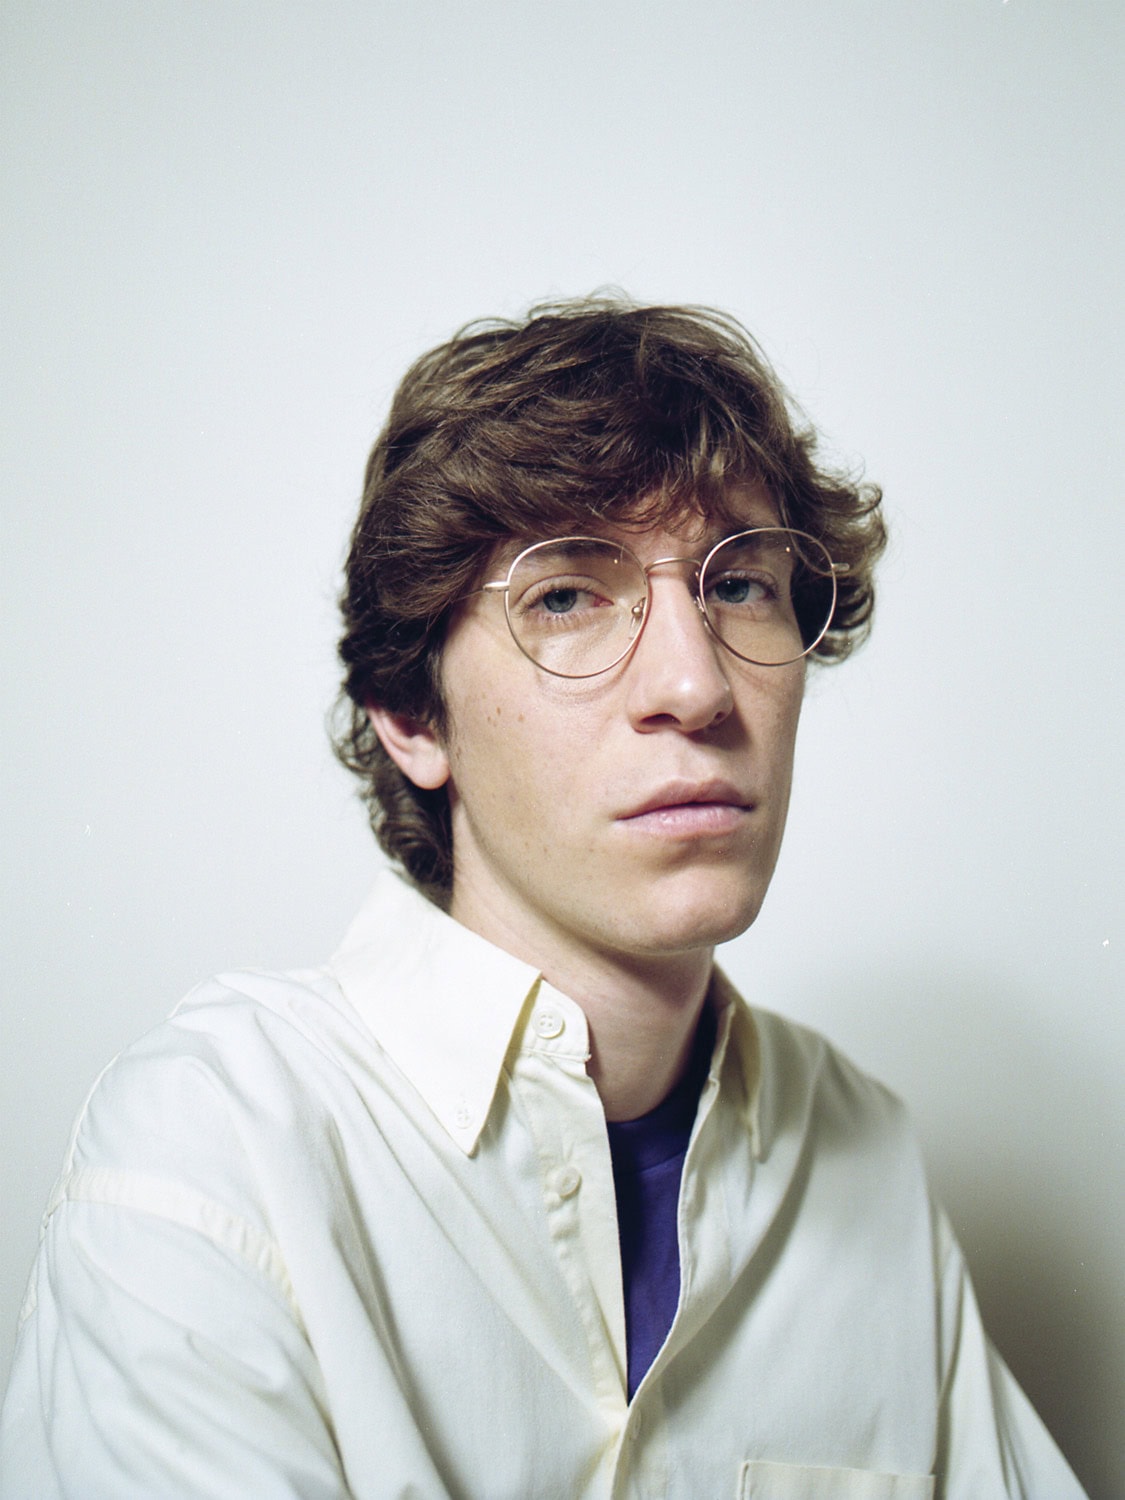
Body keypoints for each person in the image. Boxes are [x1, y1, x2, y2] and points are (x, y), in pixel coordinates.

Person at [0, 299, 1086, 1499]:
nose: (695, 685)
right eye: (567, 595)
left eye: (740, 585)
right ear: (411, 713)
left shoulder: (864, 1154)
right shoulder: (219, 1138)